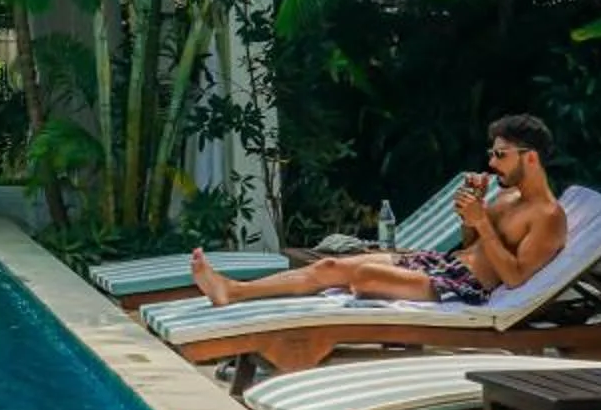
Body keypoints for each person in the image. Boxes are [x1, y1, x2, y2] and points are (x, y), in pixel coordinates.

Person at [188, 114, 567, 309]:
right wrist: (475, 215)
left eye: (500, 155)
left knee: (365, 274)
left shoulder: (548, 216)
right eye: (492, 153)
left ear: (530, 158)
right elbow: (471, 244)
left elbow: (515, 279)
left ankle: (242, 295)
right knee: (331, 267)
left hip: (465, 289)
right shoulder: (507, 198)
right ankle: (233, 291)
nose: (492, 161)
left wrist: (482, 223)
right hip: (444, 265)